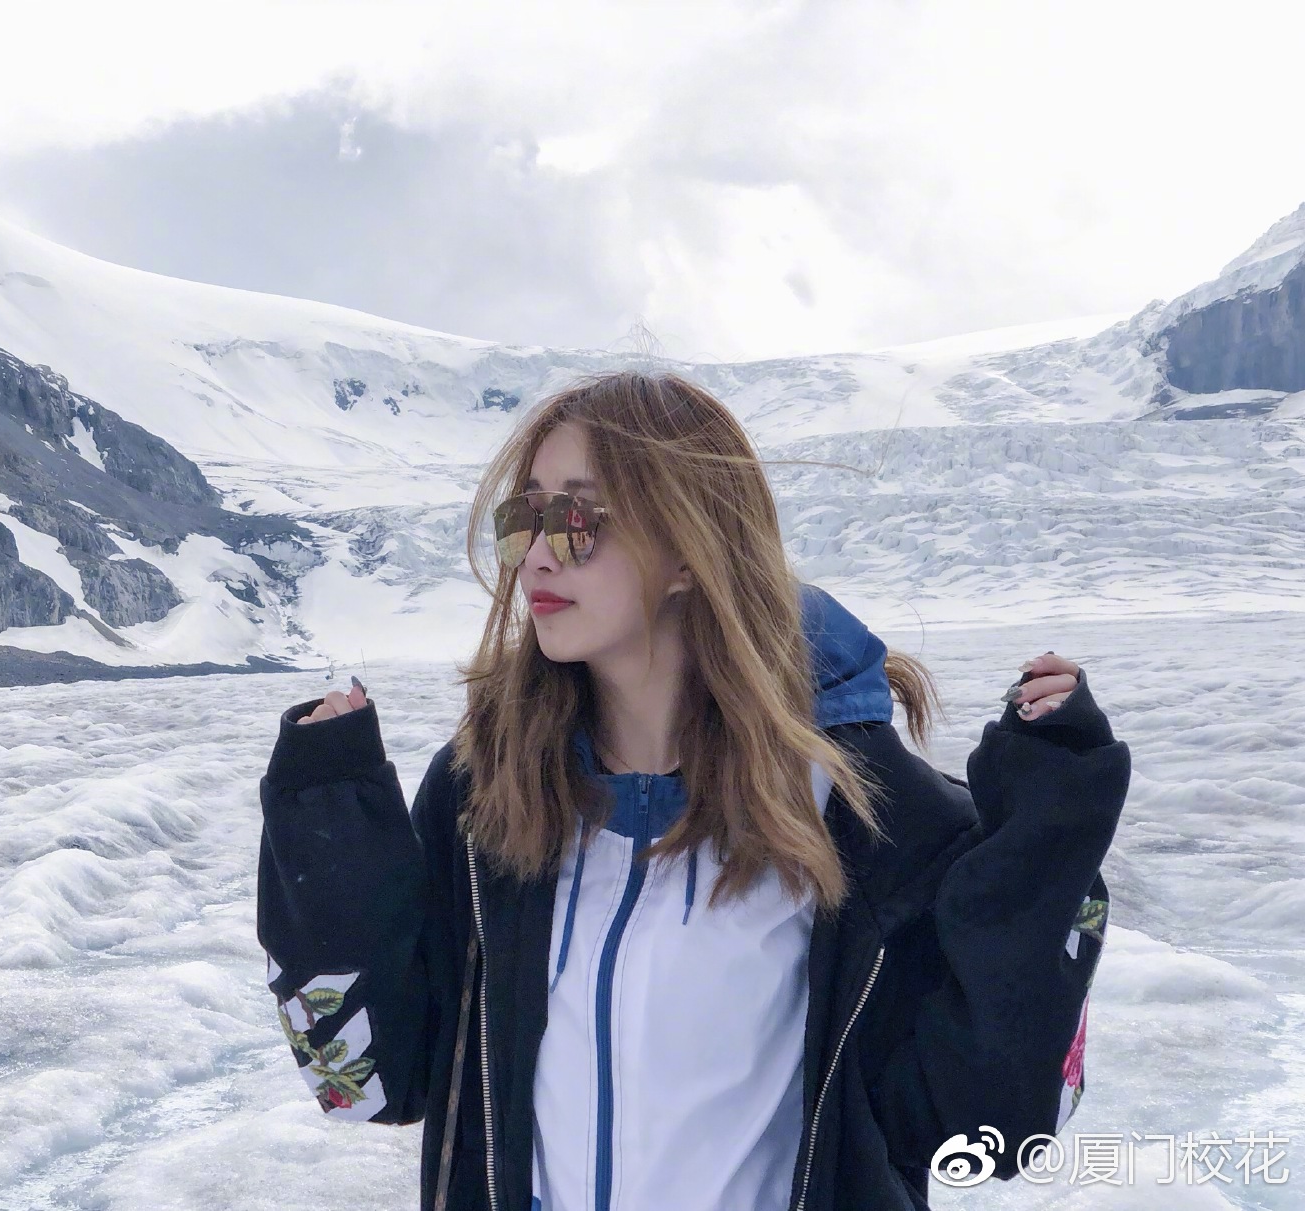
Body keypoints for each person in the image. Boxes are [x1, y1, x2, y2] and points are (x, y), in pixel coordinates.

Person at [255, 371, 1128, 1211]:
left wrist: (1045, 836)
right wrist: (328, 821)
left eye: (577, 518)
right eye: (524, 518)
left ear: (688, 549)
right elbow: (369, 1082)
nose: (536, 555)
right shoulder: (491, 794)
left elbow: (1004, 1122)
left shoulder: (860, 809)